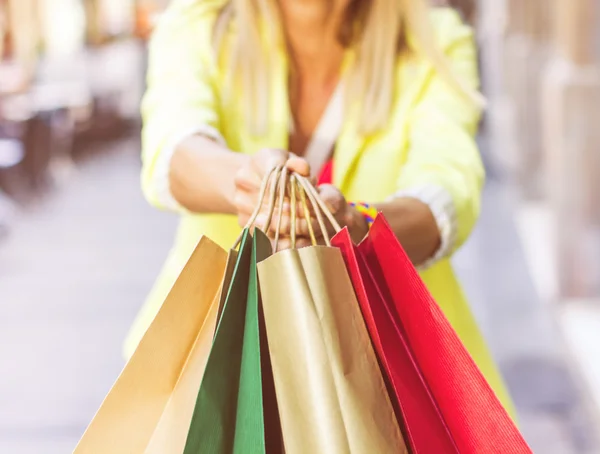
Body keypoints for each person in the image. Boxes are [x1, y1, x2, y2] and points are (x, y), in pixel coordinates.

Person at [128, 0, 516, 417]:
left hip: (395, 383)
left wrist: (357, 225)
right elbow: (173, 148)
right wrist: (250, 185)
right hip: (213, 373)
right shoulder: (198, 25)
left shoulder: (433, 40)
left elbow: (447, 190)